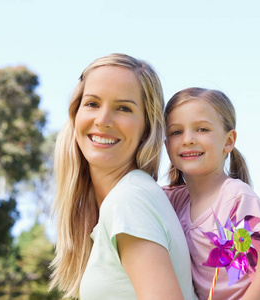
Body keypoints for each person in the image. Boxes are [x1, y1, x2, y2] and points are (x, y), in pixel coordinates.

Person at [49, 53, 197, 300]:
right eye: (92, 104)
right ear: (75, 114)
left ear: (146, 128)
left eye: (123, 108)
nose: (103, 120)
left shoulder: (129, 201)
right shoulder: (128, 198)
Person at [163, 87, 260, 300]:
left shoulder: (237, 198)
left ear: (228, 141)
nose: (188, 139)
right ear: (166, 145)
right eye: (176, 132)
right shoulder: (171, 201)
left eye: (202, 129)